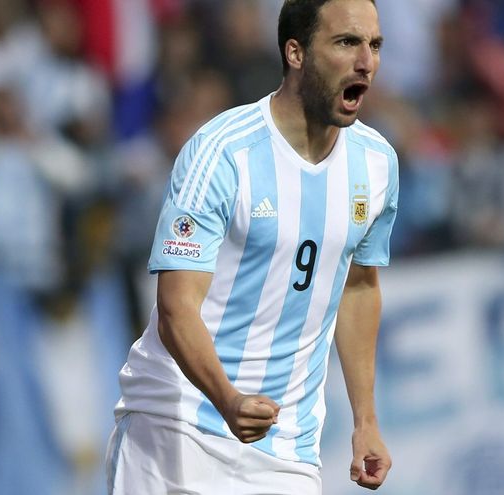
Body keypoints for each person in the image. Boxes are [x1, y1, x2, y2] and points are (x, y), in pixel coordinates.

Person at [105, 1, 397, 493]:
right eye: (347, 42)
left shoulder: (377, 164)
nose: (366, 61)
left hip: (286, 449)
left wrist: (365, 421)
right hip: (177, 426)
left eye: (375, 45)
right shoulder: (223, 152)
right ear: (296, 53)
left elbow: (359, 286)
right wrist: (227, 398)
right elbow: (176, 307)